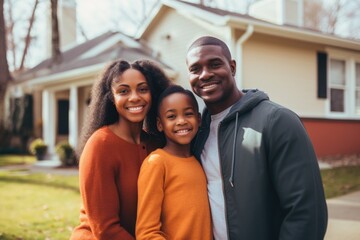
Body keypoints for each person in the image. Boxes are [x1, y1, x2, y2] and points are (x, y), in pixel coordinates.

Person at [185, 36, 328, 240]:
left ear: (232, 67)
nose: (205, 74)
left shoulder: (277, 121)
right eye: (195, 69)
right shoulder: (197, 133)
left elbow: (306, 213)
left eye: (214, 64)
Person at [70, 59, 170, 240]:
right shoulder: (100, 145)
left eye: (142, 89)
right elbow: (106, 229)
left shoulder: (158, 144)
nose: (134, 97)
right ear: (111, 97)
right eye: (124, 91)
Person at [136, 85, 212, 240]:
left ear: (198, 119)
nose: (181, 121)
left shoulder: (200, 161)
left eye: (188, 114)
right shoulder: (156, 163)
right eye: (171, 117)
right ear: (160, 124)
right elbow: (146, 233)